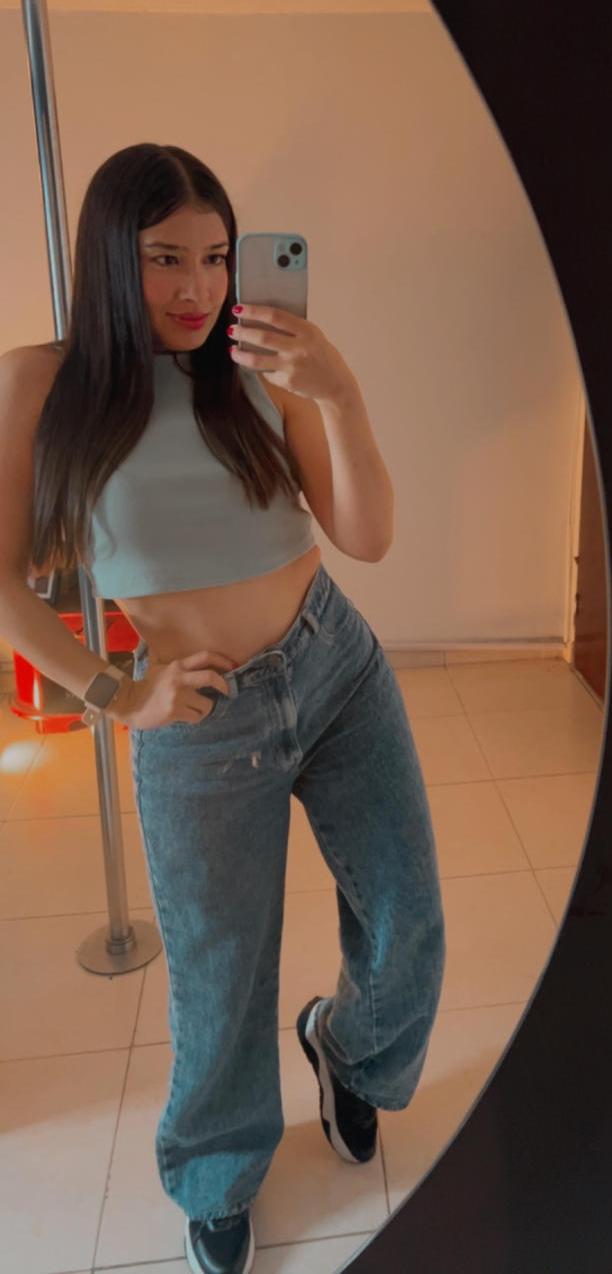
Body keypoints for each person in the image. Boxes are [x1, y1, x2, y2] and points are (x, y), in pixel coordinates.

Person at [0, 144, 446, 1274]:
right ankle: (217, 1181)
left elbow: (367, 536)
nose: (198, 287)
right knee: (220, 979)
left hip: (334, 667)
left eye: (214, 256)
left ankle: (346, 1050)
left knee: (408, 920)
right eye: (165, 259)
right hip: (198, 721)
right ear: (112, 258)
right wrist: (117, 693)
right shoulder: (41, 385)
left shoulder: (255, 362)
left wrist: (338, 393)